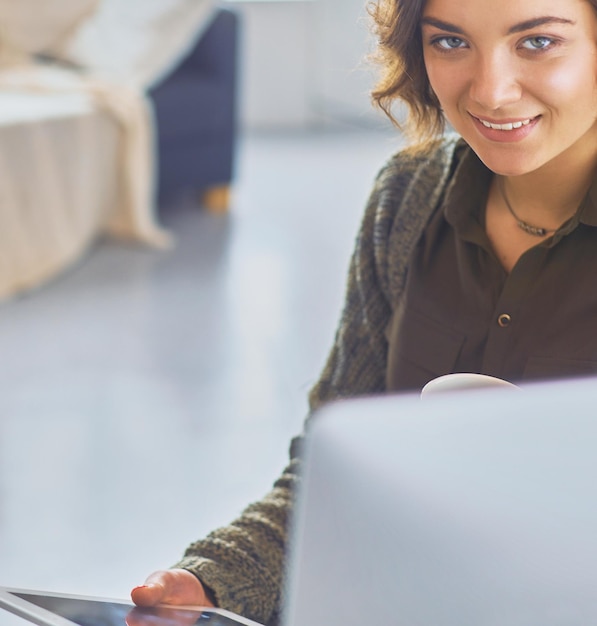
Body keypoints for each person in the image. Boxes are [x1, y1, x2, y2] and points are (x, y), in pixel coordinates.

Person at [131, 0, 597, 623]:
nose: (490, 90)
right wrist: (212, 585)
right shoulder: (406, 198)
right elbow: (339, 476)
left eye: (538, 42)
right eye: (451, 43)